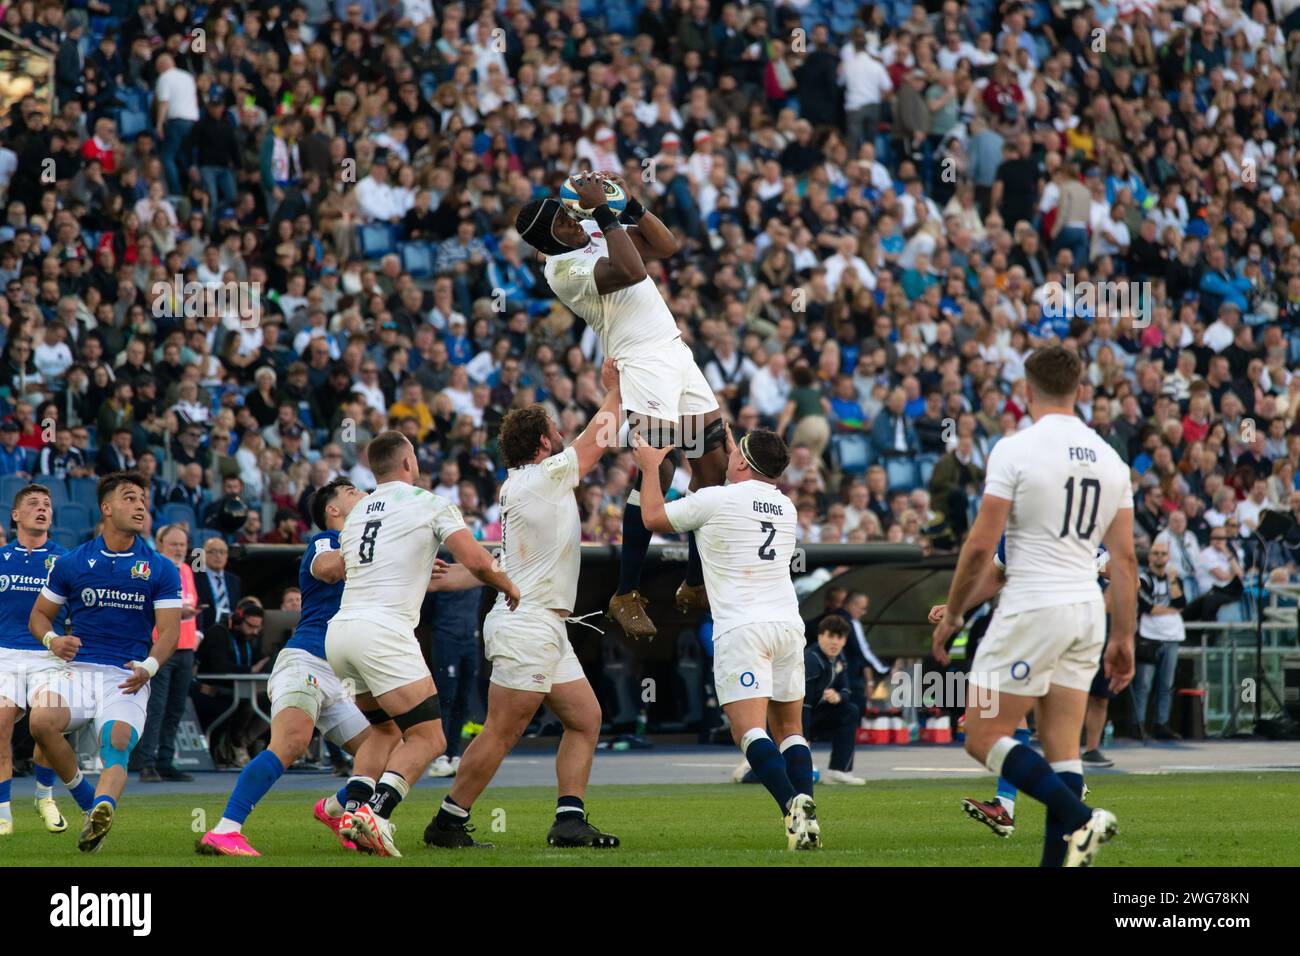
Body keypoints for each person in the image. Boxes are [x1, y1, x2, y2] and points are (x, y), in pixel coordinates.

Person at [931, 347, 1137, 867]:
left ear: (1027, 391)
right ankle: (1067, 841)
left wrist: (955, 614)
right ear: (1080, 389)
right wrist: (1123, 637)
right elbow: (1126, 558)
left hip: (1034, 606)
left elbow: (981, 546)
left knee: (982, 735)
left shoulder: (1015, 449)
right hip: (1087, 610)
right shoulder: (1111, 459)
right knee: (1063, 751)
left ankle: (1081, 817)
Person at [515, 172, 727, 640]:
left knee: (714, 467)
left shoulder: (591, 231)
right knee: (663, 467)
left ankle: (695, 581)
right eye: (565, 220)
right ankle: (626, 593)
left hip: (674, 352)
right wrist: (607, 214)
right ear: (547, 239)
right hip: (640, 361)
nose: (575, 219)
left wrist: (630, 203)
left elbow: (665, 246)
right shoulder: (562, 271)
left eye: (573, 213)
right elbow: (633, 271)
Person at [426, 361, 622, 849]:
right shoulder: (543, 478)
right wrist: (615, 391)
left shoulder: (523, 483)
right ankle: (448, 822)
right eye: (555, 429)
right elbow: (598, 440)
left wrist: (465, 577)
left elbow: (514, 559)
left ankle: (569, 820)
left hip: (543, 625)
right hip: (528, 624)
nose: (562, 434)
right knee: (502, 731)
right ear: (541, 444)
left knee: (585, 719)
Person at [325, 430, 518, 856]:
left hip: (341, 634)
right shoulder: (430, 503)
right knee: (430, 739)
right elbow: (477, 560)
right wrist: (508, 584)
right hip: (384, 632)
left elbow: (345, 565)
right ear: (408, 462)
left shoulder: (356, 513)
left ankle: (347, 809)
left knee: (384, 729)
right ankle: (374, 816)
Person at [634, 425, 820, 851]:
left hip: (742, 627)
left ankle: (792, 803)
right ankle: (805, 809)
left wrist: (648, 468)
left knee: (749, 731)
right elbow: (749, 480)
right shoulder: (786, 506)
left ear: (740, 462)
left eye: (735, 451)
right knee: (791, 730)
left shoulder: (715, 499)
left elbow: (652, 518)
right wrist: (737, 450)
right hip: (788, 625)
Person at [197, 478, 404, 857]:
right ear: (334, 510)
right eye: (353, 493)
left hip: (343, 675)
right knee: (291, 742)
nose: (364, 496)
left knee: (389, 746)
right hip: (306, 660)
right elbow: (327, 569)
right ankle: (225, 830)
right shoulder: (326, 539)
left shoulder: (366, 549)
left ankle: (336, 808)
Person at [26, 472, 184, 852]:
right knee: (41, 722)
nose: (141, 505)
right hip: (77, 671)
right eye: (130, 498)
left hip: (126, 676)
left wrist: (148, 667)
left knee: (116, 742)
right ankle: (86, 799)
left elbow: (169, 633)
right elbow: (38, 617)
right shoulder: (72, 562)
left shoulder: (161, 568)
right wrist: (53, 639)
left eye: (143, 499)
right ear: (107, 508)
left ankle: (102, 808)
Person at [0, 484, 68, 836]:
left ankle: (44, 795)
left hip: (47, 654)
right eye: (32, 504)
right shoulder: (1, 558)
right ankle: (2, 812)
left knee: (46, 723)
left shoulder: (65, 560)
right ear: (15, 515)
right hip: (4, 654)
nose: (42, 508)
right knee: (0, 724)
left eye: (47, 504)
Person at [136, 524, 201, 782]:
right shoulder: (153, 569)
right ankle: (146, 762)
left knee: (176, 708)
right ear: (160, 545)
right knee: (157, 707)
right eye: (173, 544)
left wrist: (196, 634)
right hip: (161, 647)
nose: (178, 549)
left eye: (182, 545)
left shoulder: (187, 570)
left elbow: (191, 603)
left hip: (185, 648)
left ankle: (165, 760)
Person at [1131, 540, 1186, 741]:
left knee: (1166, 685)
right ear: (1150, 556)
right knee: (1143, 685)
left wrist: (1172, 581)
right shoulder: (1143, 579)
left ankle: (1162, 724)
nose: (1160, 557)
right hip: (1149, 636)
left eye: (1163, 553)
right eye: (1156, 553)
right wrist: (1172, 610)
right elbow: (1149, 607)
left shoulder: (1174, 578)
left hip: (1172, 636)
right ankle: (1139, 724)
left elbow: (1182, 603)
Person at [803, 615, 865, 786]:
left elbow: (846, 689)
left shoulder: (840, 658)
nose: (835, 642)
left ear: (845, 640)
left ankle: (839, 771)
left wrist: (839, 697)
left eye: (840, 638)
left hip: (819, 714)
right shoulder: (811, 660)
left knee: (850, 710)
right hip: (794, 719)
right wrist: (803, 737)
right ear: (820, 636)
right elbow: (803, 704)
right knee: (776, 772)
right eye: (830, 636)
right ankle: (748, 770)